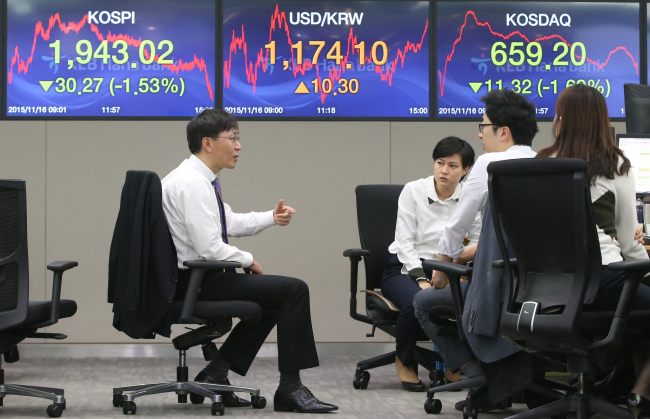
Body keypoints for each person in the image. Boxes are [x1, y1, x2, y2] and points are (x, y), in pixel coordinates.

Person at [161, 109, 337, 413]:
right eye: (233, 138)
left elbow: (226, 222)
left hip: (197, 278)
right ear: (209, 143)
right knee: (294, 290)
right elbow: (210, 247)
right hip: (194, 282)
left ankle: (216, 372)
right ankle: (291, 389)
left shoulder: (198, 179)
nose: (239, 146)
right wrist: (249, 259)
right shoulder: (191, 184)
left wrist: (271, 217)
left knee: (272, 302)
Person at [413, 89, 539, 404]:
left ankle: (476, 375)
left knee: (423, 302)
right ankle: (504, 378)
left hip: (498, 288)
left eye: (483, 126)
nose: (480, 134)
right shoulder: (545, 163)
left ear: (503, 132)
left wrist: (442, 270)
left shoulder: (490, 164)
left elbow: (457, 227)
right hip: (539, 290)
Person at [536, 84, 650, 417]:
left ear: (561, 121)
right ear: (602, 121)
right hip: (601, 284)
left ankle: (620, 390)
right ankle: (639, 394)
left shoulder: (542, 163)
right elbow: (630, 246)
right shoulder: (615, 165)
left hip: (545, 289)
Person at [382, 136, 480, 391]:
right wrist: (422, 280)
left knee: (467, 305)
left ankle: (453, 362)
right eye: (440, 163)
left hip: (453, 267)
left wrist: (457, 268)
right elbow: (404, 243)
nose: (444, 171)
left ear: (466, 170)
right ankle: (403, 360)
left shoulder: (472, 197)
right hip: (406, 267)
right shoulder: (414, 191)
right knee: (417, 302)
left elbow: (479, 240)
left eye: (453, 165)